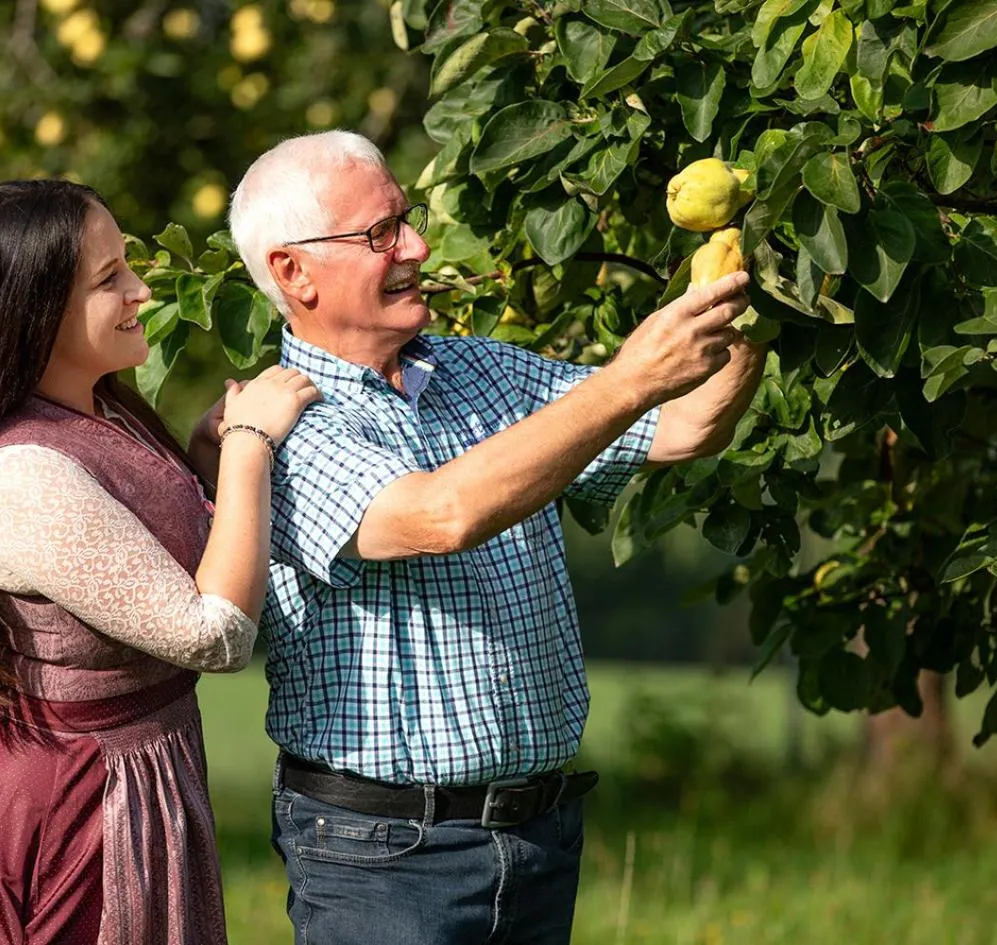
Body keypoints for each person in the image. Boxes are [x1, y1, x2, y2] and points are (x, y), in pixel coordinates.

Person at [227, 131, 766, 944]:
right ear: (292, 272)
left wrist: (750, 292)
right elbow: (435, 516)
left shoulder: (484, 371)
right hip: (384, 856)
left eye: (405, 219)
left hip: (538, 835)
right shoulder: (281, 424)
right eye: (380, 233)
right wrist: (626, 378)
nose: (415, 245)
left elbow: (683, 423)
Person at [0, 179, 319, 944]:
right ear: (34, 310)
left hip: (132, 779)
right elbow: (213, 633)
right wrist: (250, 449)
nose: (142, 290)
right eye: (109, 278)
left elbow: (163, 558)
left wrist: (207, 462)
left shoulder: (103, 412)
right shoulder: (22, 474)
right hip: (67, 805)